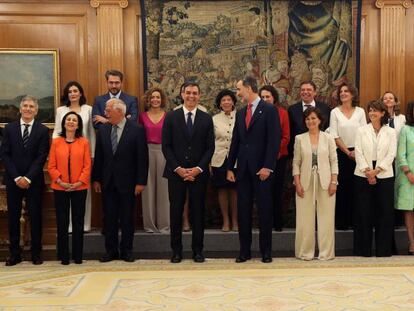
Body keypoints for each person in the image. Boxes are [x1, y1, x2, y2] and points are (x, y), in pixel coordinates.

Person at [227, 76, 281, 263]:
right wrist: (230, 167)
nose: (237, 93)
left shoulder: (269, 110)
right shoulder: (241, 113)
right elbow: (236, 141)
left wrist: (268, 166)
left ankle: (266, 252)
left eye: (239, 89)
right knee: (243, 212)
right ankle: (245, 251)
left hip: (262, 171)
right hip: (243, 171)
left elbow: (274, 141)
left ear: (249, 88)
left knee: (265, 211)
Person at [162, 81, 214, 263]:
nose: (191, 96)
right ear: (182, 94)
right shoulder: (171, 117)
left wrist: (198, 169)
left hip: (198, 174)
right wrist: (179, 169)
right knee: (176, 212)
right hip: (176, 173)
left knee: (198, 212)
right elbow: (166, 146)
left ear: (199, 96)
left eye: (195, 93)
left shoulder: (206, 118)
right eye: (188, 93)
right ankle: (176, 251)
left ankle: (198, 251)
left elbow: (210, 148)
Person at [92, 98, 148, 263]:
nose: (105, 113)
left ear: (119, 111)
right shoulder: (103, 130)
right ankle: (110, 251)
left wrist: (141, 182)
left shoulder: (137, 129)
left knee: (127, 218)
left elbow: (142, 158)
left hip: (129, 183)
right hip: (107, 181)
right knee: (109, 218)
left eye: (108, 110)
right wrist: (96, 179)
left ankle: (127, 250)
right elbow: (99, 156)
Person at [0, 96, 49, 266]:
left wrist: (28, 177)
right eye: (25, 106)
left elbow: (42, 156)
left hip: (34, 181)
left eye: (31, 106)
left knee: (35, 217)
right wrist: (17, 177)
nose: (28, 109)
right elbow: (4, 154)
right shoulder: (9, 129)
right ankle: (15, 254)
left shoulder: (42, 131)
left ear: (36, 110)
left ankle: (36, 253)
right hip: (13, 180)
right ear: (20, 109)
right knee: (13, 217)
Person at [293, 107, 338, 260]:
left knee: (326, 218)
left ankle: (326, 253)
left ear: (319, 120)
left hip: (326, 182)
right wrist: (297, 183)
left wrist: (334, 182)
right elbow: (296, 163)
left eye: (313, 118)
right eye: (307, 119)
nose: (310, 121)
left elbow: (334, 161)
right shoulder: (299, 138)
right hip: (305, 182)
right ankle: (305, 252)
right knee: (305, 219)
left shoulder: (329, 138)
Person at [353, 100, 397, 257]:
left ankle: (383, 250)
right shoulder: (361, 130)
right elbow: (358, 151)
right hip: (362, 174)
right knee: (363, 213)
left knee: (384, 213)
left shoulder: (390, 132)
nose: (372, 113)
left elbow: (391, 154)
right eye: (370, 110)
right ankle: (362, 250)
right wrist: (367, 171)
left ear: (383, 113)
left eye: (375, 110)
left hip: (384, 175)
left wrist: (377, 171)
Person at [48, 112, 91, 265]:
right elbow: (51, 166)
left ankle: (78, 256)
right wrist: (61, 181)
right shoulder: (56, 142)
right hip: (60, 188)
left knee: (78, 221)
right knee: (62, 221)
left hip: (80, 187)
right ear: (64, 123)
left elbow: (87, 166)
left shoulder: (84, 142)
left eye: (74, 120)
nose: (71, 122)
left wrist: (79, 182)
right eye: (68, 120)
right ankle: (64, 256)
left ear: (78, 125)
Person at [53, 81, 95, 231]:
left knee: (83, 188)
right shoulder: (60, 110)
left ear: (81, 93)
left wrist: (92, 154)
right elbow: (56, 132)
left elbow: (91, 133)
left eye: (75, 91)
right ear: (67, 94)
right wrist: (56, 152)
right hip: (64, 154)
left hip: (83, 154)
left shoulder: (88, 109)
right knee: (64, 189)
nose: (72, 93)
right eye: (70, 91)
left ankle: (84, 224)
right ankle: (68, 226)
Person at [329, 83, 367, 230]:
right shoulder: (334, 112)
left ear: (352, 94)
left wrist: (356, 152)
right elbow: (334, 135)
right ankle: (342, 222)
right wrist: (347, 152)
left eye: (346, 91)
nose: (343, 93)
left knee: (357, 188)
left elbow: (364, 132)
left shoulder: (360, 111)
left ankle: (355, 221)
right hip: (341, 153)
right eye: (341, 91)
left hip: (359, 153)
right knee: (342, 188)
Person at [259, 85, 290, 231]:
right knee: (263, 192)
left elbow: (286, 137)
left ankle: (277, 223)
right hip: (260, 159)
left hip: (278, 158)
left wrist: (272, 152)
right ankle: (264, 223)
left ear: (274, 98)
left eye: (268, 97)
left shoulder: (282, 113)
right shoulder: (256, 113)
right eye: (263, 97)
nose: (265, 99)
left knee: (277, 191)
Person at [138, 87, 169, 233]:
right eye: (152, 97)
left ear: (162, 99)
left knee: (164, 190)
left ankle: (164, 225)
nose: (155, 100)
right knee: (148, 189)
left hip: (164, 152)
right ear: (148, 100)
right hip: (146, 152)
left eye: (158, 97)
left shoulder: (168, 116)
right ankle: (149, 225)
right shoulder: (142, 116)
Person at [211, 89, 238, 232]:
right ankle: (226, 221)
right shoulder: (214, 119)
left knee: (235, 190)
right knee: (222, 189)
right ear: (220, 104)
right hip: (219, 158)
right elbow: (210, 141)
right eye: (223, 100)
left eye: (229, 99)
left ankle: (235, 221)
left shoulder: (240, 117)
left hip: (236, 159)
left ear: (233, 101)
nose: (226, 102)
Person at [288, 81, 331, 155]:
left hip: (321, 150)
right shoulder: (292, 109)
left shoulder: (325, 108)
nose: (305, 92)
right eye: (303, 90)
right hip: (300, 151)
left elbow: (328, 129)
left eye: (309, 90)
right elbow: (290, 132)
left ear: (315, 92)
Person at [395, 101, 414, 254]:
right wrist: (408, 173)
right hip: (409, 177)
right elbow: (401, 154)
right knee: (409, 210)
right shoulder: (405, 130)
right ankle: (412, 243)